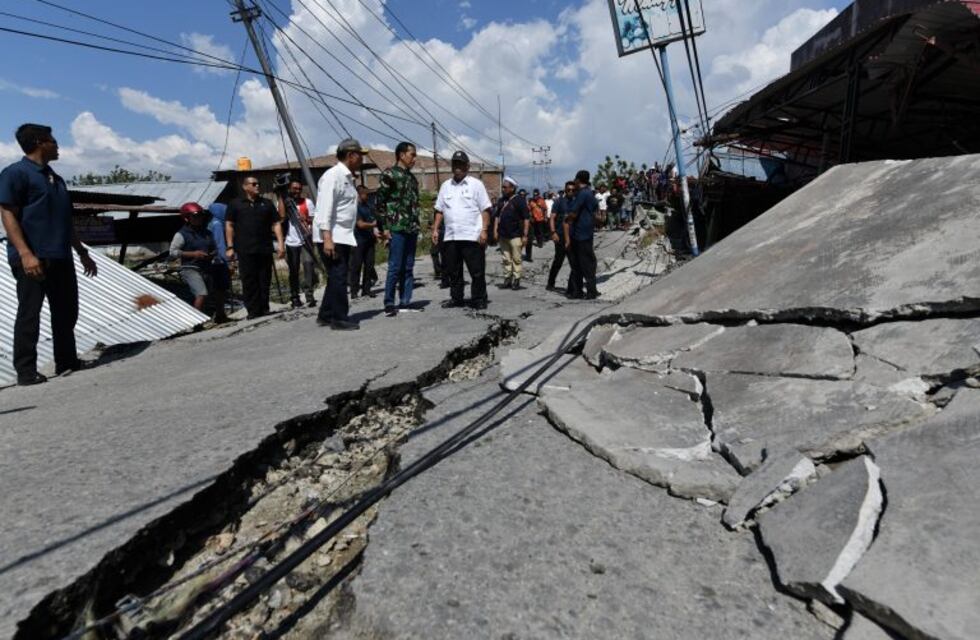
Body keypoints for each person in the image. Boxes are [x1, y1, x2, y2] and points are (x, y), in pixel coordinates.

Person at [0, 123, 98, 386]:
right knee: (30, 313)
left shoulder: (55, 178)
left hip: (60, 255)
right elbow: (7, 214)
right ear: (40, 142)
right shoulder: (15, 174)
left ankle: (67, 360)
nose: (58, 145)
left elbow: (65, 220)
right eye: (53, 141)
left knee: (67, 310)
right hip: (33, 257)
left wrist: (81, 252)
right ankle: (26, 371)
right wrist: (25, 253)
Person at [314, 138, 365, 330]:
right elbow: (324, 209)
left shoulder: (348, 178)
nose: (361, 159)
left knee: (336, 276)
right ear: (351, 155)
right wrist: (327, 238)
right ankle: (339, 318)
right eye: (359, 155)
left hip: (342, 235)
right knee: (339, 275)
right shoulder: (332, 176)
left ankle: (326, 315)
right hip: (332, 236)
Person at [432, 151, 492, 310]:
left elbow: (485, 209)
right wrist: (436, 229)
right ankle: (456, 298)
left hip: (472, 236)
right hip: (451, 236)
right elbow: (439, 210)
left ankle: (479, 298)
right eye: (455, 164)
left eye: (460, 164)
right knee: (454, 271)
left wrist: (484, 230)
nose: (457, 168)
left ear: (467, 166)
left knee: (477, 271)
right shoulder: (445, 186)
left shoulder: (476, 184)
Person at [225, 175, 284, 319]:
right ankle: (253, 310)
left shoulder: (267, 203)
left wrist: (281, 244)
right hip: (245, 248)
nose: (257, 186)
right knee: (249, 280)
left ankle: (264, 307)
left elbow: (276, 224)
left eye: (258, 184)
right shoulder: (235, 204)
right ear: (245, 187)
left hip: (264, 247)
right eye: (254, 184)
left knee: (265, 279)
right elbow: (229, 225)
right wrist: (230, 246)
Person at [376, 141, 421, 316]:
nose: (414, 159)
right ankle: (389, 302)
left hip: (411, 228)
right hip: (396, 227)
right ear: (401, 155)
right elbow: (380, 203)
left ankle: (405, 301)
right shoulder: (390, 174)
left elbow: (414, 204)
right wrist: (385, 228)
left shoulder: (411, 178)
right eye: (412, 155)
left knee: (408, 266)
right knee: (395, 266)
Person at [170, 202, 226, 320]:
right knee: (201, 293)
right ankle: (196, 323)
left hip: (206, 267)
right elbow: (173, 252)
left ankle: (220, 317)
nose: (199, 218)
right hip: (190, 268)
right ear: (187, 218)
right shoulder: (181, 234)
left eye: (200, 215)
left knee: (216, 291)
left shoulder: (206, 233)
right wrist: (193, 254)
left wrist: (212, 254)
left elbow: (214, 248)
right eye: (195, 216)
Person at [278, 179, 317, 309]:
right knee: (293, 270)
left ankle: (309, 295)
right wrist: (282, 196)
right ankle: (295, 296)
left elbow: (313, 218)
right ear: (289, 189)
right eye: (294, 188)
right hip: (291, 240)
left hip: (305, 239)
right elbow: (282, 217)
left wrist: (305, 219)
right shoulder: (285, 202)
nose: (297, 191)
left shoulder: (307, 202)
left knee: (308, 265)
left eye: (299, 189)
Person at [563, 170, 599, 300]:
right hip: (586, 231)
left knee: (582, 263)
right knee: (585, 263)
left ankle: (589, 292)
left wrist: (568, 217)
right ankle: (581, 290)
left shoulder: (582, 194)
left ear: (578, 180)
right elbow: (596, 209)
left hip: (580, 234)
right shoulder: (590, 193)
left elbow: (573, 212)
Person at [494, 176, 529, 290]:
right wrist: (495, 230)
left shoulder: (519, 200)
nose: (503, 189)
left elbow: (526, 219)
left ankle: (516, 279)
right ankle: (507, 279)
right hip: (503, 235)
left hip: (515, 235)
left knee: (516, 258)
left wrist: (525, 235)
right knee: (506, 258)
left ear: (512, 188)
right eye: (502, 187)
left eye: (505, 187)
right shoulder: (501, 200)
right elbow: (497, 216)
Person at [349, 185, 379, 300]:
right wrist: (373, 225)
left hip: (369, 240)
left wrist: (376, 231)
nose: (367, 195)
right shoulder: (356, 207)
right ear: (360, 194)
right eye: (365, 193)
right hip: (358, 240)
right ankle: (354, 290)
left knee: (369, 265)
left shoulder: (369, 206)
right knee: (356, 266)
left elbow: (373, 220)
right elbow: (360, 224)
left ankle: (366, 289)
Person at [547, 181, 576, 291]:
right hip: (560, 236)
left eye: (573, 190)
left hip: (572, 236)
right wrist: (553, 232)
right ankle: (550, 283)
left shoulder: (575, 202)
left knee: (574, 263)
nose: (571, 192)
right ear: (565, 190)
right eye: (568, 190)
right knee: (558, 261)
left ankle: (571, 287)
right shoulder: (559, 202)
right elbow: (552, 218)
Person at [206, 202, 232, 321]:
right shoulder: (217, 225)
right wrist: (227, 262)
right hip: (218, 262)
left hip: (212, 260)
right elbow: (220, 245)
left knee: (216, 288)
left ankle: (219, 314)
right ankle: (220, 314)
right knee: (220, 288)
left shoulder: (211, 223)